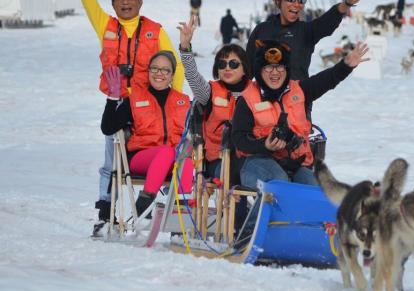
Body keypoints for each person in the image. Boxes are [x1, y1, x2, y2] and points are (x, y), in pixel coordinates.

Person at [71, 0, 184, 232]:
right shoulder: (105, 24)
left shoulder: (155, 30)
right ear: (114, 3)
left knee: (159, 150)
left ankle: (159, 200)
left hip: (148, 105)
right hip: (117, 103)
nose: (125, 2)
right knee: (112, 161)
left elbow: (176, 68)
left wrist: (174, 101)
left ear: (140, 3)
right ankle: (105, 212)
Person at [232, 39, 369, 189]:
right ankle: (261, 213)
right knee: (280, 184)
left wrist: (346, 65)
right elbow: (239, 139)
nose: (275, 72)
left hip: (294, 164)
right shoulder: (248, 99)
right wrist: (264, 144)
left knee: (314, 189)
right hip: (256, 163)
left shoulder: (299, 90)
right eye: (269, 67)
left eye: (280, 67)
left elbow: (326, 80)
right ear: (260, 70)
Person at [100, 51, 192, 232]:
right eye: (155, 68)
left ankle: (180, 224)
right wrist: (112, 98)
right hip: (140, 158)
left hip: (172, 159)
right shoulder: (134, 99)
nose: (159, 73)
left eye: (165, 70)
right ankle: (144, 206)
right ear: (148, 71)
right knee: (167, 152)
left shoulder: (183, 101)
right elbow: (108, 128)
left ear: (172, 75)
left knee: (186, 161)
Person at [246, 0, 370, 81]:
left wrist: (348, 3)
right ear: (278, 1)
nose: (296, 3)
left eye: (302, 0)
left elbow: (328, 20)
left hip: (297, 102)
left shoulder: (306, 31)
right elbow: (247, 69)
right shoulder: (262, 30)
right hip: (265, 104)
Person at [177, 18, 252, 180]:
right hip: (218, 160)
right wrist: (185, 48)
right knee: (235, 175)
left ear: (245, 68)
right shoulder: (210, 92)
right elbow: (192, 76)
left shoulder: (256, 95)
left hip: (248, 159)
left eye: (233, 64)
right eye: (222, 64)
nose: (226, 68)